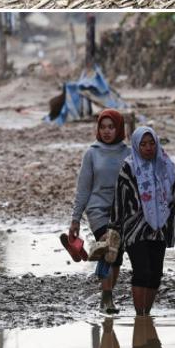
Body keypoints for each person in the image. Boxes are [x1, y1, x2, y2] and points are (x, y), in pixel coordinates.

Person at [112, 126, 175, 316]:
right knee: (142, 272)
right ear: (136, 146)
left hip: (161, 228)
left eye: (151, 144)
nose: (148, 148)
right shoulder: (129, 167)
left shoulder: (164, 165)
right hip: (135, 229)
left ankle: (146, 315)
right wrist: (113, 229)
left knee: (156, 275)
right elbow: (119, 199)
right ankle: (140, 317)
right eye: (143, 144)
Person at [71, 109, 130, 315]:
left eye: (111, 127)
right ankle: (107, 298)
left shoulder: (128, 153)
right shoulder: (92, 153)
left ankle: (107, 292)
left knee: (117, 255)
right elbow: (84, 188)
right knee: (108, 245)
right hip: (97, 210)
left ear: (119, 128)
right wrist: (75, 218)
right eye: (103, 127)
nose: (106, 132)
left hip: (121, 211)